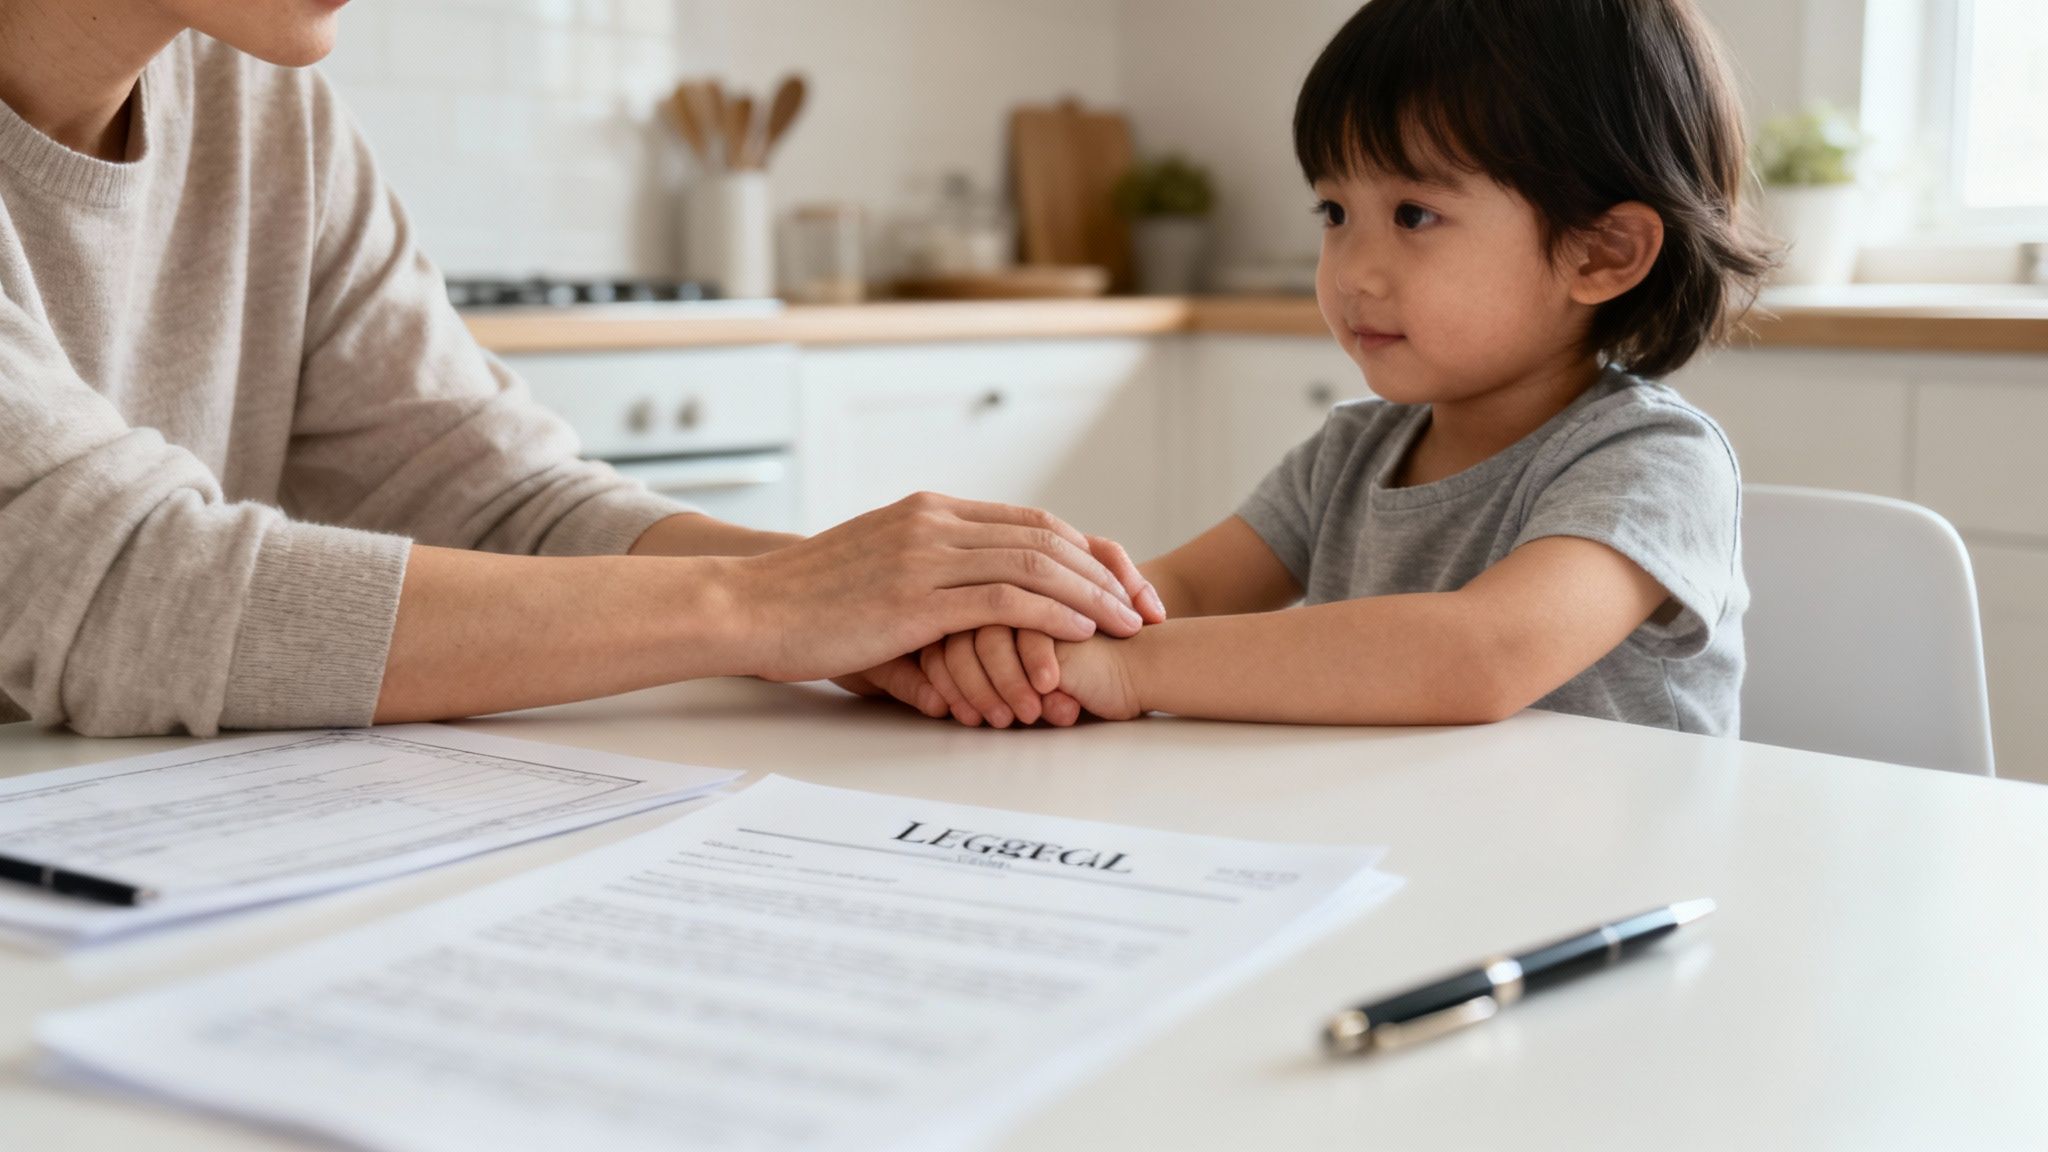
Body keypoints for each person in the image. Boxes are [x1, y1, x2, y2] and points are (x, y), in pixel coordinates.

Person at [0, 0, 1164, 739]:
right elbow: (117, 597)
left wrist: (867, 601)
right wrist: (767, 606)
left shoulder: (268, 111)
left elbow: (498, 496)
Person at [918, 0, 1773, 734]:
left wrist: (1130, 671)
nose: (1350, 271)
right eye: (1334, 210)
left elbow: (1478, 655)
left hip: (1605, 893)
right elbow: (1178, 589)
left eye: (1414, 213)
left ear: (1602, 251)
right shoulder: (1347, 457)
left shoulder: (1653, 463)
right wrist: (1047, 634)